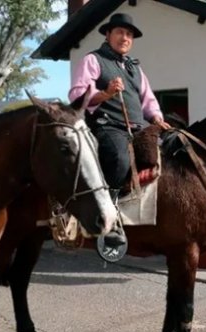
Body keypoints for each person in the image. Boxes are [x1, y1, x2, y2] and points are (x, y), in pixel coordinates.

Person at [69, 13, 170, 247]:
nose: (125, 38)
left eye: (129, 34)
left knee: (168, 151)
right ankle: (110, 215)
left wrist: (156, 117)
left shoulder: (135, 68)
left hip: (138, 127)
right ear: (108, 34)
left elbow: (148, 100)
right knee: (118, 158)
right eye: (120, 32)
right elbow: (76, 94)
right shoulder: (93, 60)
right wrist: (105, 94)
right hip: (107, 126)